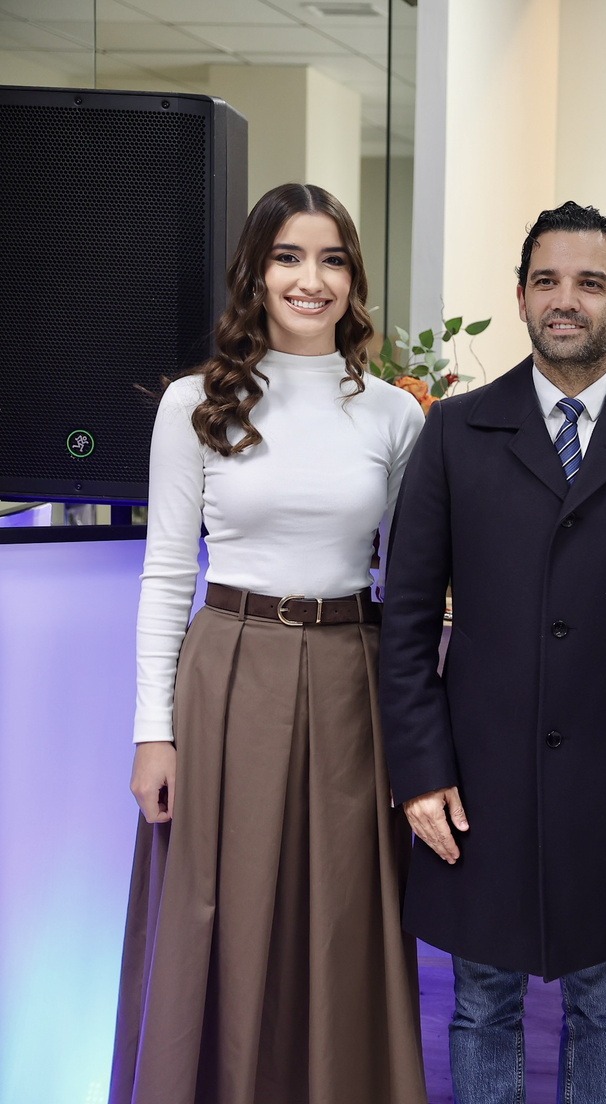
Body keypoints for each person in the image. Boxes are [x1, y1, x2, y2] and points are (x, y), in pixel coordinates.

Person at [378, 201, 606, 1104]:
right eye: (546, 281)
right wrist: (420, 772)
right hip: (476, 777)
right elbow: (405, 620)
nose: (565, 299)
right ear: (522, 297)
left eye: (590, 283)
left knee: (603, 1005)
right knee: (480, 1004)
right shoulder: (455, 431)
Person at [111, 182, 428, 1104]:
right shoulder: (193, 404)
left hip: (351, 674)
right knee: (220, 910)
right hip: (228, 668)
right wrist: (153, 732)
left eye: (332, 260)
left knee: (342, 914)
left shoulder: (395, 414)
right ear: (255, 272)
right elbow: (167, 574)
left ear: (354, 280)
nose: (310, 279)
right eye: (288, 257)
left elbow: (412, 584)